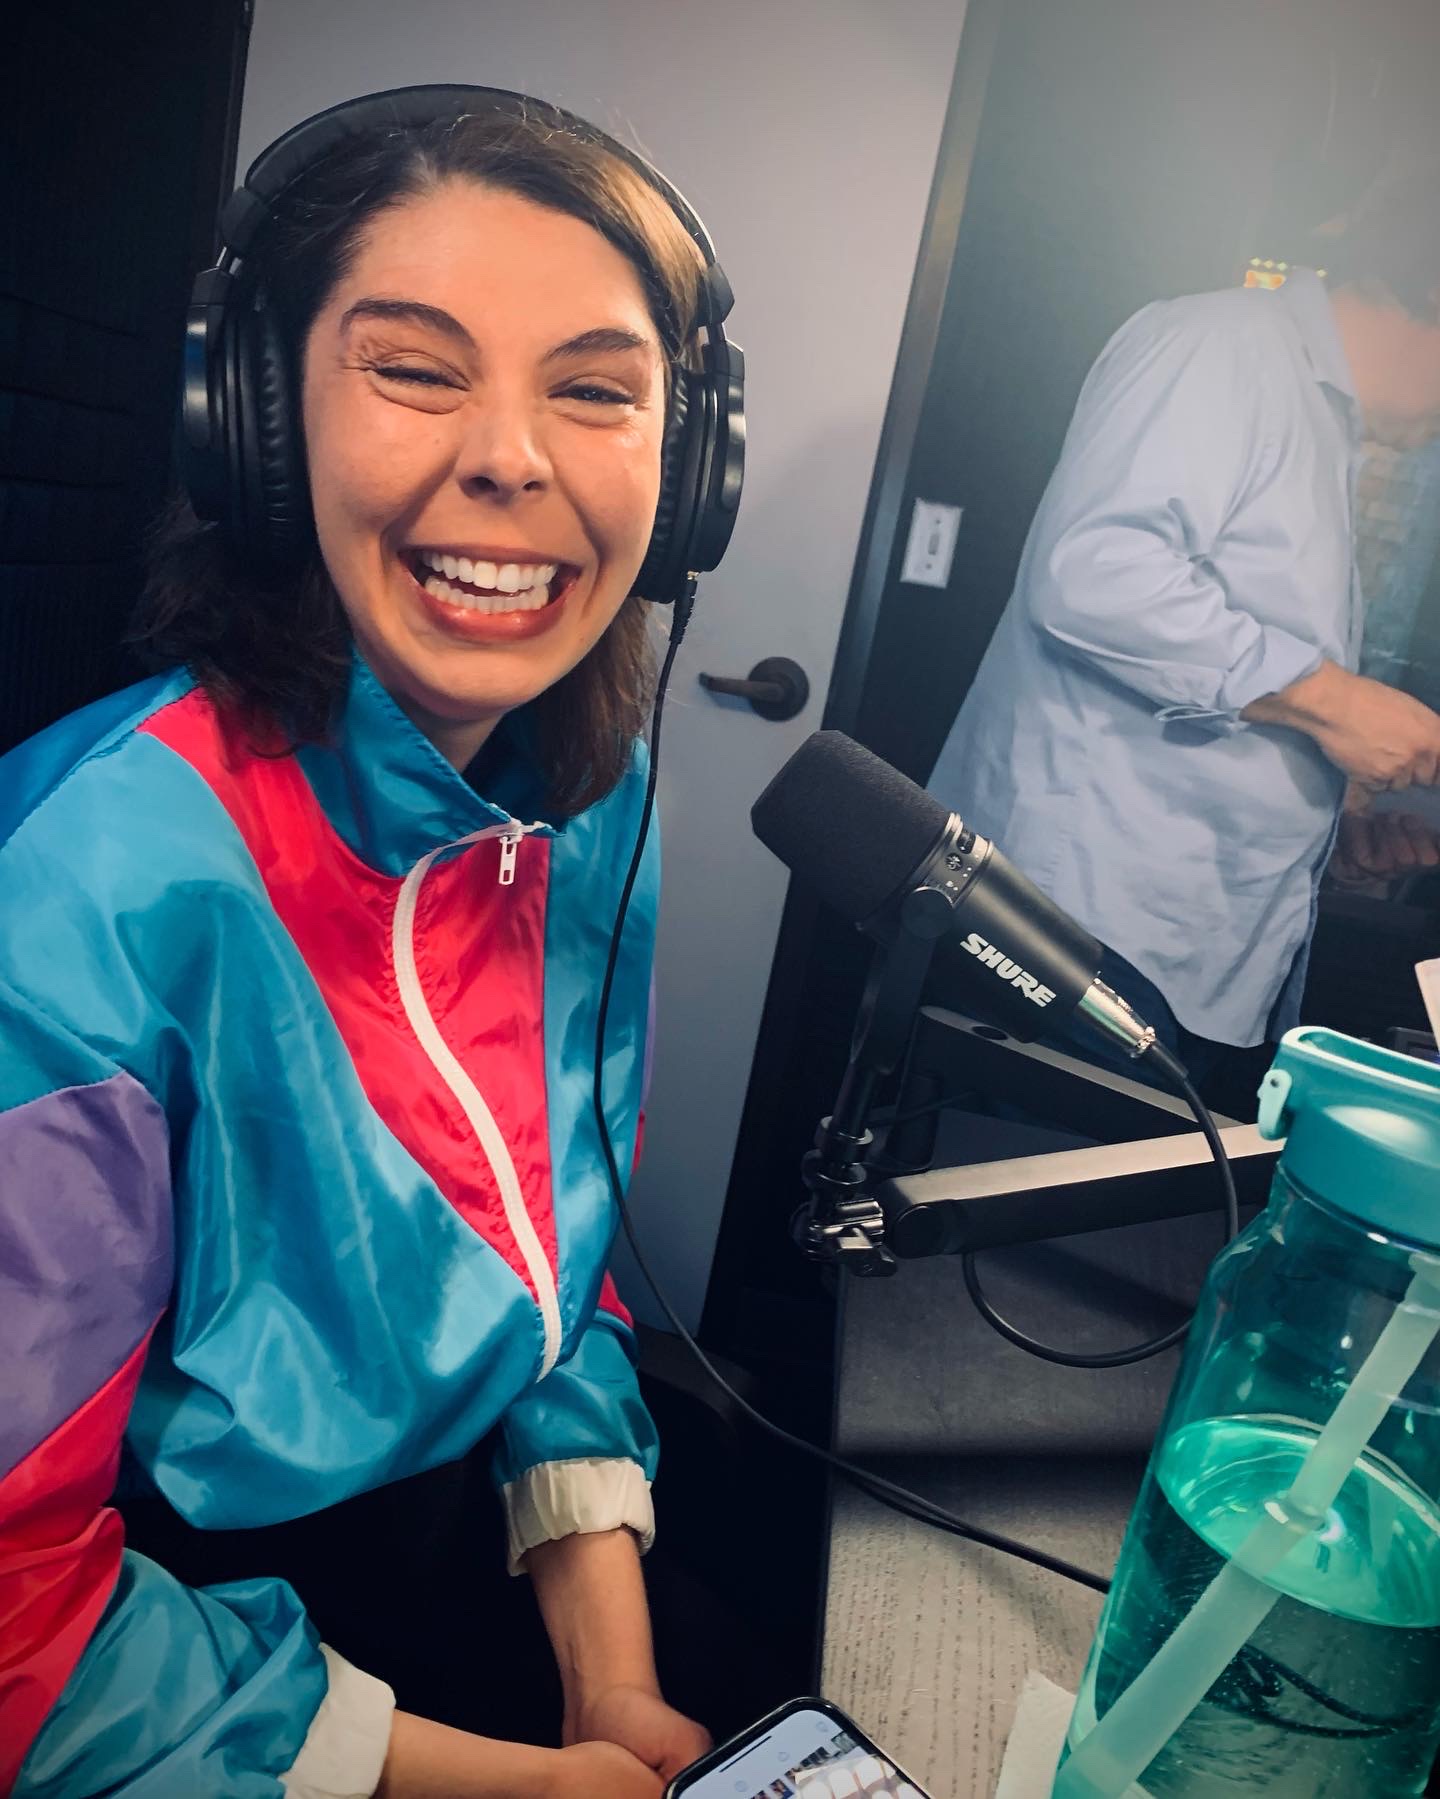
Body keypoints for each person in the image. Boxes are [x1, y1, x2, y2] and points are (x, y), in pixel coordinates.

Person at [0, 87, 742, 1798]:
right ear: (254, 424)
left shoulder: (591, 801)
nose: (513, 456)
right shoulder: (82, 880)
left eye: (595, 389)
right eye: (415, 369)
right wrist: (515, 1779)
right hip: (160, 1659)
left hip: (468, 1547)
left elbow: (557, 1271)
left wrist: (611, 1682)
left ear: (688, 467)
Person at [927, 174, 1440, 1090]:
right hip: (1084, 927)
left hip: (1176, 949)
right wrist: (1335, 702)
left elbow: (1218, 689)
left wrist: (1332, 827)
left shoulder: (1324, 425)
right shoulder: (1222, 347)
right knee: (1006, 1174)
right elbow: (1095, 573)